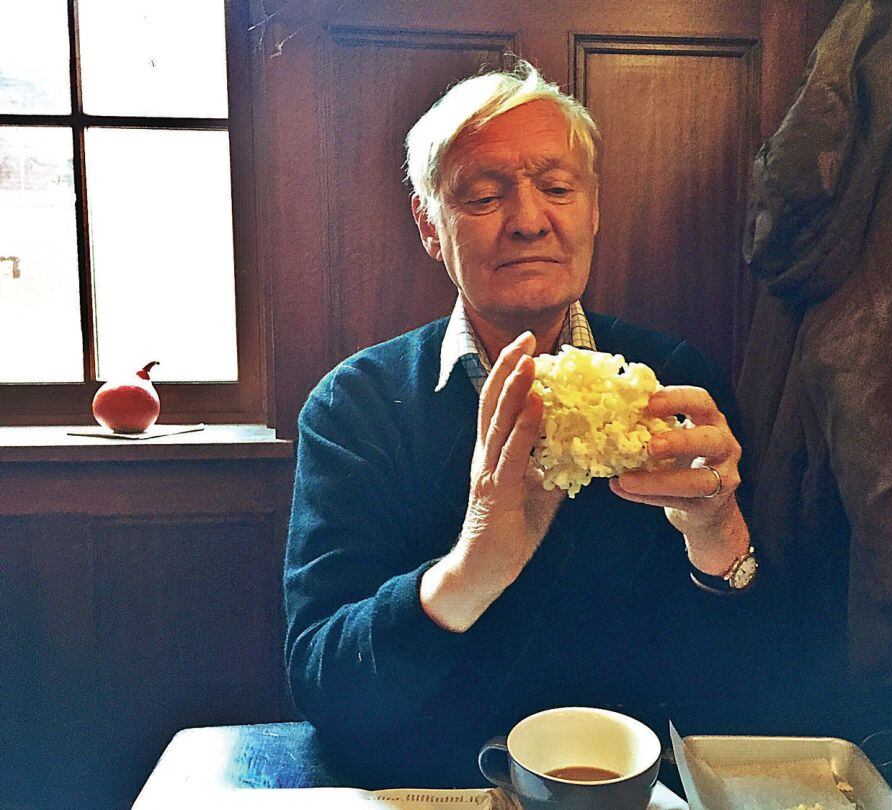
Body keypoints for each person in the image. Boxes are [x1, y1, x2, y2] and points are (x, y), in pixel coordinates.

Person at [284, 61, 803, 789]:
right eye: (484, 195)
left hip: (632, 789)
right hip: (437, 786)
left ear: (593, 210)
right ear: (430, 225)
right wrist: (469, 573)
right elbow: (323, 687)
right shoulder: (355, 409)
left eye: (558, 188)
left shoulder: (679, 385)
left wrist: (721, 540)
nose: (530, 219)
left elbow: (760, 697)